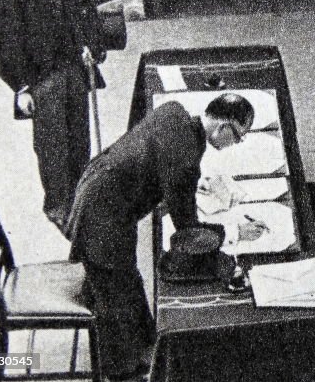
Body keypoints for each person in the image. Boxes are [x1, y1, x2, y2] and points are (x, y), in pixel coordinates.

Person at [66, 94, 262, 382]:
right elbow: (187, 235)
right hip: (102, 219)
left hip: (100, 189)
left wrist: (187, 188)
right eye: (238, 137)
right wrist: (233, 233)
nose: (237, 143)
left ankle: (148, 351)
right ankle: (123, 373)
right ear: (222, 127)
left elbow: (161, 161)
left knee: (129, 283)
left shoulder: (174, 112)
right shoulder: (184, 162)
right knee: (116, 296)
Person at [0, 0, 109, 234]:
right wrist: (22, 89)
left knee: (79, 139)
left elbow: (94, 26)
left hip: (75, 73)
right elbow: (7, 50)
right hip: (42, 83)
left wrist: (93, 50)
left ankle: (82, 198)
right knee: (52, 146)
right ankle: (59, 206)